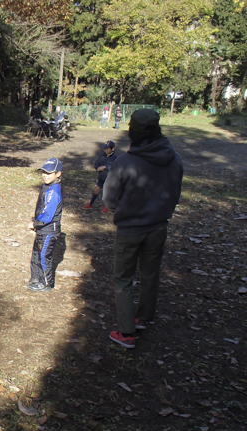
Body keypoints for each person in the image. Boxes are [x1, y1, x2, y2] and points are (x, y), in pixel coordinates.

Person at [103, 108, 183, 349]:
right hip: (159, 226)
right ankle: (143, 316)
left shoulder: (124, 162)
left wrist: (123, 211)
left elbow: (109, 198)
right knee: (150, 273)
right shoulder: (174, 158)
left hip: (130, 230)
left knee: (123, 279)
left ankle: (126, 331)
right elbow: (176, 193)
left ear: (132, 132)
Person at [27, 158, 63, 292]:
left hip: (48, 230)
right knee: (36, 253)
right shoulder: (47, 187)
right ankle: (36, 277)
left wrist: (35, 223)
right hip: (42, 229)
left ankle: (46, 283)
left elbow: (47, 214)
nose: (45, 175)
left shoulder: (54, 191)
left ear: (58, 174)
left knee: (43, 256)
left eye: (49, 173)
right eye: (43, 172)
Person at [82, 140, 118, 213]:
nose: (105, 150)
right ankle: (91, 204)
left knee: (107, 193)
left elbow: (115, 168)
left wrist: (105, 167)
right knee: (96, 190)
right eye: (105, 149)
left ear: (112, 149)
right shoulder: (102, 156)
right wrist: (97, 168)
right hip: (102, 177)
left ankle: (107, 207)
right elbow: (96, 164)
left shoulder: (116, 158)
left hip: (109, 178)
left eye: (107, 149)